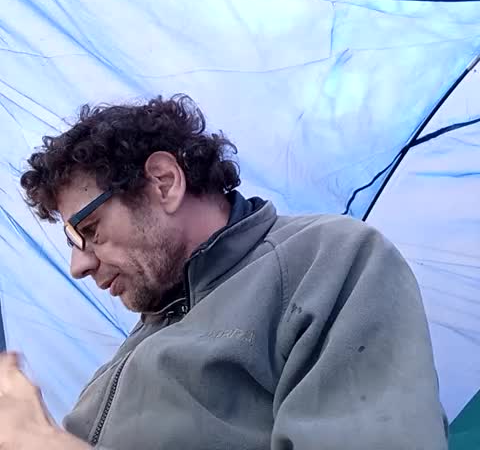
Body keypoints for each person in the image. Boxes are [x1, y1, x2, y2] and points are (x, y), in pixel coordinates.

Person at [0, 95, 447, 450]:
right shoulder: (128, 354)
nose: (78, 265)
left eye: (90, 230)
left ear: (163, 182)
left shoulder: (324, 260)